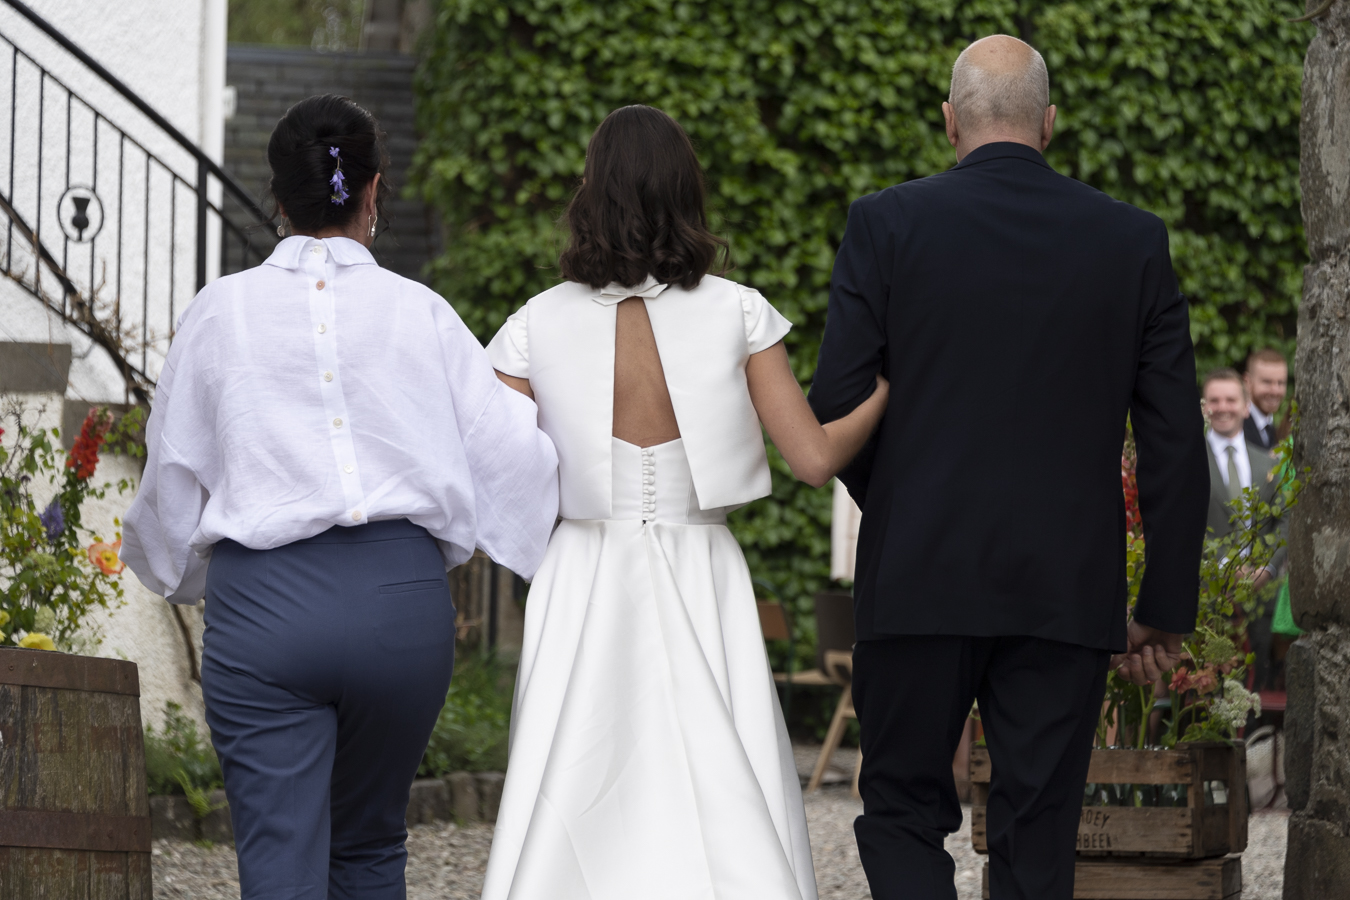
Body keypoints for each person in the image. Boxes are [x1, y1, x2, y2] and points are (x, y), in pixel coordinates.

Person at [119, 95, 559, 900]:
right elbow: (515, 460)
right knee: (368, 849)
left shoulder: (220, 312)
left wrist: (176, 572)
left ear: (278, 200)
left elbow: (172, 480)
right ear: (374, 192)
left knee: (281, 860)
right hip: (402, 609)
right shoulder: (423, 313)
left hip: (268, 608)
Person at [808, 36, 1209, 900]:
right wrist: (1163, 607)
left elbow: (838, 399)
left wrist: (907, 498)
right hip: (1064, 583)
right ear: (1050, 124)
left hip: (917, 571)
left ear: (950, 121)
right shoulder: (1132, 241)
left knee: (906, 809)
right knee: (1038, 826)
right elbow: (1175, 434)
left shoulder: (886, 223)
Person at [479, 104, 889, 900]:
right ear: (685, 191)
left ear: (589, 193)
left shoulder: (535, 322)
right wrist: (884, 392)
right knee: (715, 765)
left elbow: (494, 472)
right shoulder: (737, 310)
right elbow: (812, 459)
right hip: (701, 562)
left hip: (582, 568)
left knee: (574, 759)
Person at [1202, 367, 1288, 691]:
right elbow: (1182, 525)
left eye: (1230, 399)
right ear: (1204, 405)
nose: (1222, 407)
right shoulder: (1189, 460)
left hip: (1261, 598)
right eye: (1214, 400)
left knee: (1255, 697)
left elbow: (1285, 518)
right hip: (1208, 598)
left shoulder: (1268, 463)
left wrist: (1265, 567)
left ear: (1245, 404)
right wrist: (1226, 566)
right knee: (1207, 698)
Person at [1242, 347, 1289, 451]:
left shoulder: (1277, 431)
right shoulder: (1236, 428)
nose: (1275, 391)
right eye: (1267, 382)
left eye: (1280, 383)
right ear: (1247, 382)